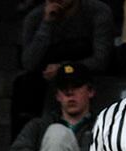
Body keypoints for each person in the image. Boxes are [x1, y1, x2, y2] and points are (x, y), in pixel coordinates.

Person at [12, 0, 112, 135]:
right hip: (44, 79)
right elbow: (29, 63)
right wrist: (47, 24)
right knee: (23, 84)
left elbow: (101, 59)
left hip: (84, 75)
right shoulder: (35, 17)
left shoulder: (97, 11)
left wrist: (63, 68)